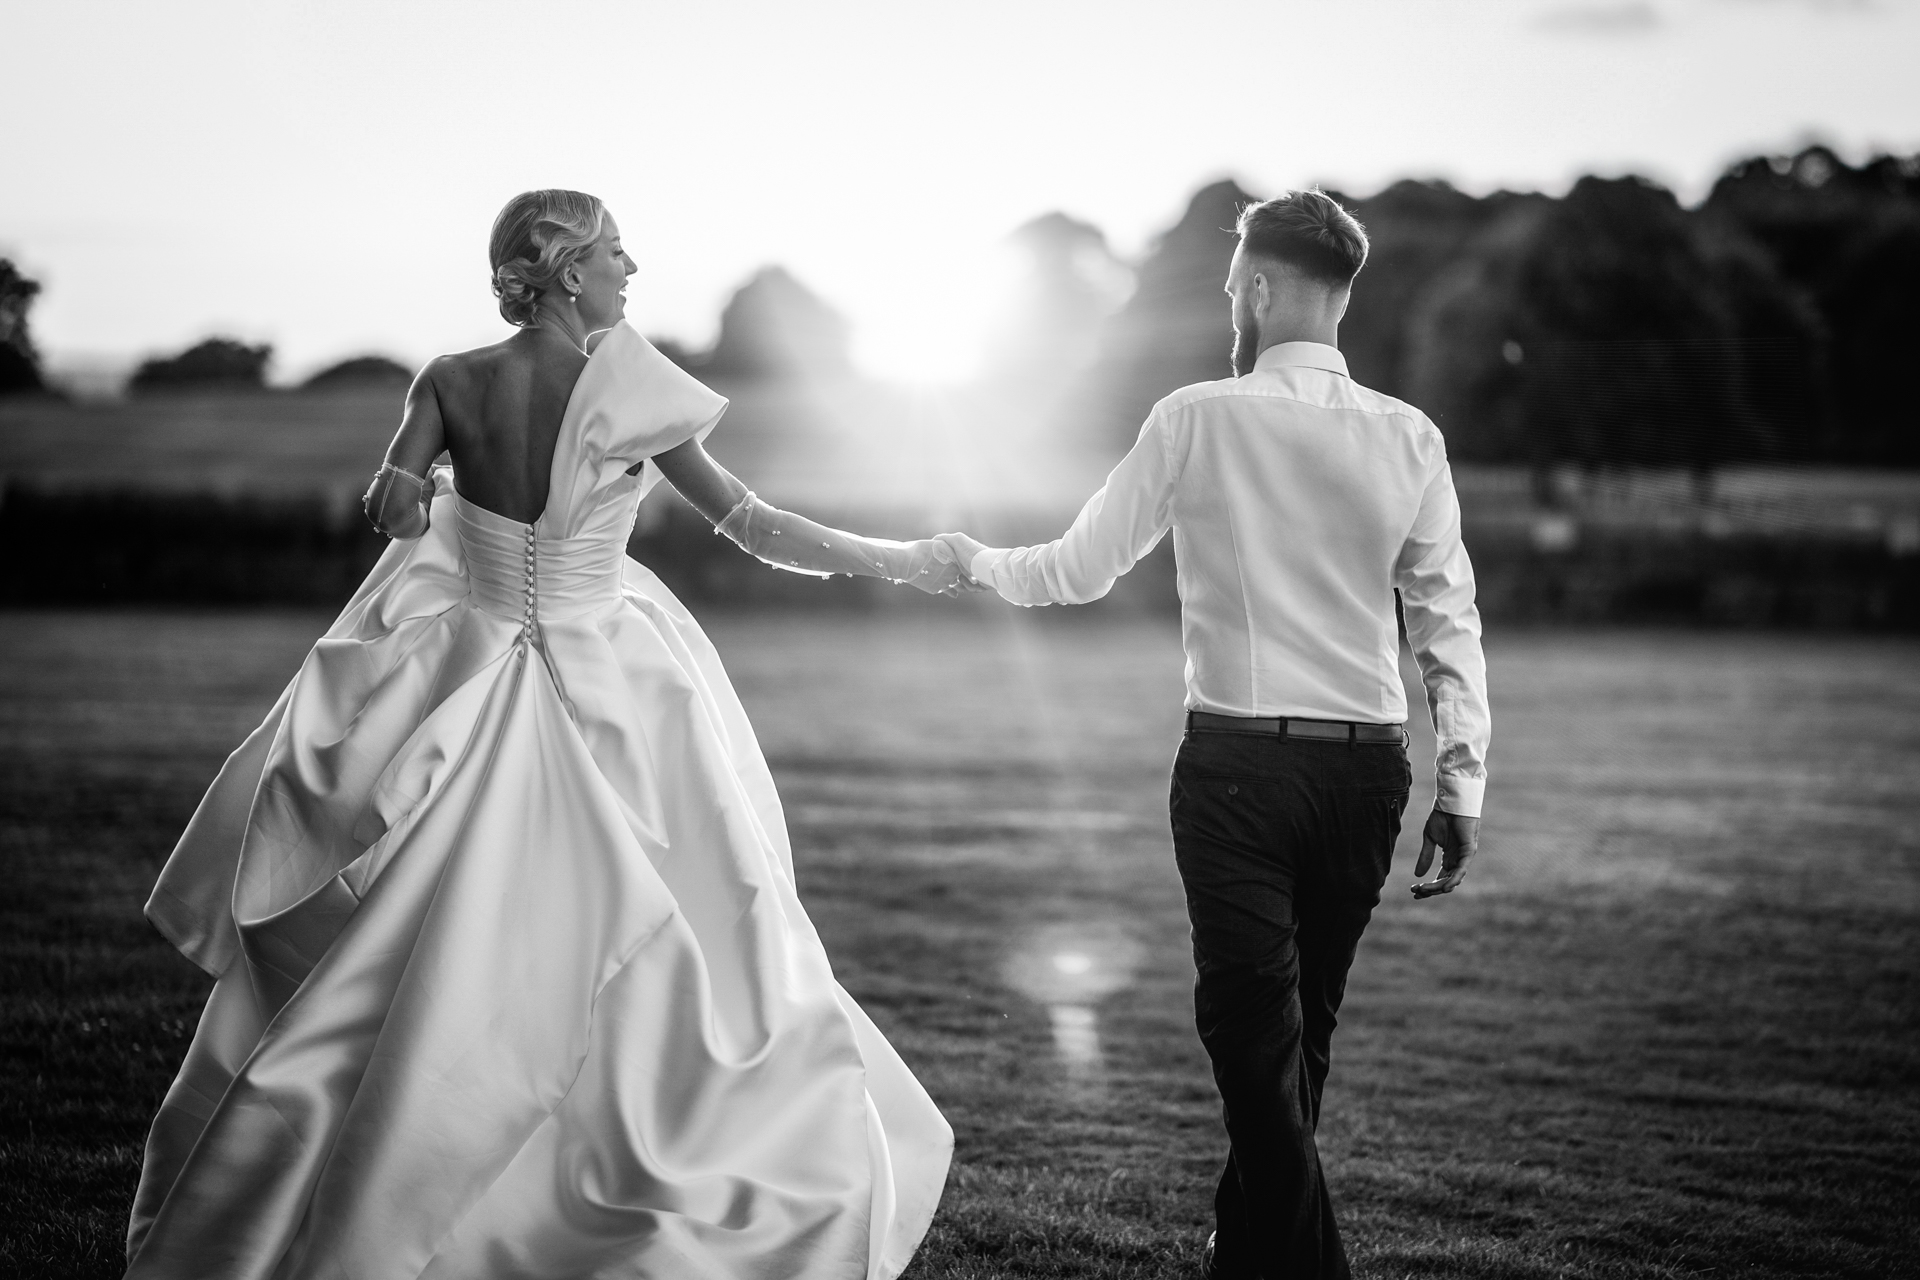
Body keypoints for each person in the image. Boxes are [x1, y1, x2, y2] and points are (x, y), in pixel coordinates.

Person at [125, 188, 972, 1279]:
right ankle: (621, 1181)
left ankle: (401, 1178)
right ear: (568, 273)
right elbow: (753, 525)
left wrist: (404, 490)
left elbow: (394, 502)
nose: (632, 267)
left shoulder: (450, 380)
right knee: (676, 931)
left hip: (462, 685)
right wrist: (899, 560)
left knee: (429, 947)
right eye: (616, 251)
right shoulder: (632, 386)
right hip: (608, 684)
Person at [940, 190, 1491, 1279]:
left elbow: (1077, 568)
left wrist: (978, 562)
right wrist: (1461, 784)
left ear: (1258, 286)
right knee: (1292, 1042)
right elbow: (1446, 620)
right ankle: (1248, 1255)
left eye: (1234, 276)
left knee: (1257, 1041)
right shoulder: (1410, 436)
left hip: (1239, 766)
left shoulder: (1194, 415)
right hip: (1368, 773)